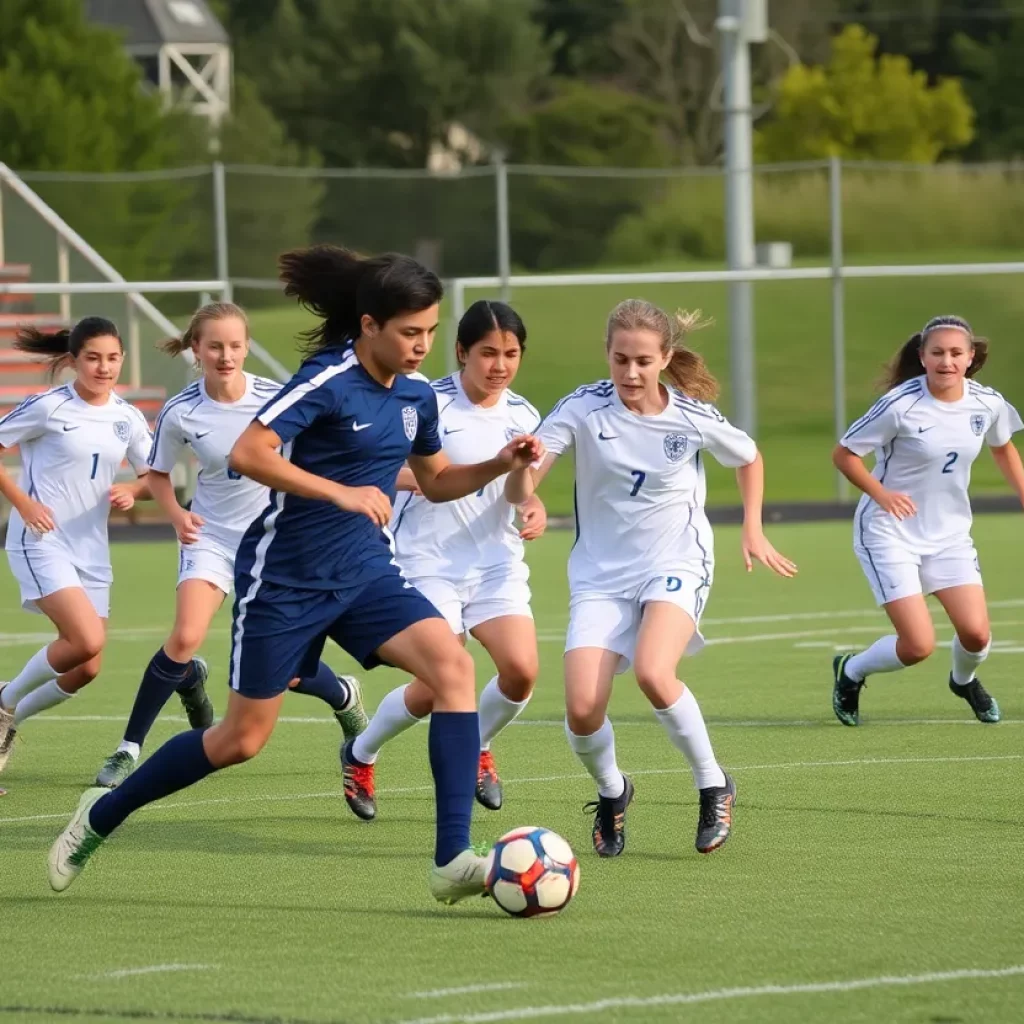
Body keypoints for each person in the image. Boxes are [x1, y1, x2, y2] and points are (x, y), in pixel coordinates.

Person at [47, 244, 544, 903]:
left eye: (429, 331)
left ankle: (451, 860)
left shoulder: (417, 397)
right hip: (284, 580)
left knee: (452, 670)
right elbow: (252, 452)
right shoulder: (327, 378)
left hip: (366, 572)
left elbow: (437, 480)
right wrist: (337, 492)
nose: (423, 345)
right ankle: (100, 814)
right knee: (239, 739)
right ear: (369, 325)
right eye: (409, 333)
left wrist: (503, 463)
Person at [505, 299, 796, 858]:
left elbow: (749, 457)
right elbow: (527, 482)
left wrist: (752, 527)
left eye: (643, 360)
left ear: (665, 358)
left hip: (676, 560)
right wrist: (525, 491)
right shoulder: (582, 408)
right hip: (599, 575)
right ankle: (613, 792)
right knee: (582, 710)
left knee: (655, 673)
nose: (631, 373)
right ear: (607, 355)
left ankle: (713, 784)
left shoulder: (691, 416)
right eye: (620, 360)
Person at [93, 302, 367, 789]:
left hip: (274, 544)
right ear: (195, 349)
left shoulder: (274, 397)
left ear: (246, 347)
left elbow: (314, 453)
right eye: (215, 345)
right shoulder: (182, 410)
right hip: (212, 539)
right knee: (183, 638)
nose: (225, 355)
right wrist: (176, 515)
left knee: (289, 669)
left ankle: (343, 695)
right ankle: (127, 749)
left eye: (235, 345)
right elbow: (156, 473)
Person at [342, 299, 546, 821]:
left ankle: (478, 744)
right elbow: (384, 472)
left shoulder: (523, 414)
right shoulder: (420, 402)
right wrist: (449, 480)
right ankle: (362, 752)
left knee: (521, 672)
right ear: (461, 352)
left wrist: (530, 500)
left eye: (511, 354)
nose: (499, 365)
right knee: (438, 684)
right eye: (487, 353)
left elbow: (520, 486)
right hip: (428, 559)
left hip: (496, 560)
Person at [831, 315, 1023, 726]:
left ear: (970, 358)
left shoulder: (986, 403)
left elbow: (1003, 446)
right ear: (922, 357)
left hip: (949, 535)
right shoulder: (901, 405)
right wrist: (881, 493)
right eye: (937, 352)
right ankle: (851, 671)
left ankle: (963, 680)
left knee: (977, 635)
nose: (947, 361)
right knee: (917, 646)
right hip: (889, 533)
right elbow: (844, 454)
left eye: (956, 353)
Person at [0, 317, 152, 770]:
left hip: (92, 549)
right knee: (84, 640)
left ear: (122, 359)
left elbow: (152, 474)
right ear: (73, 361)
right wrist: (24, 504)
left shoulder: (126, 416)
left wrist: (135, 491)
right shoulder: (48, 407)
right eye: (93, 358)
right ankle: (4, 701)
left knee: (86, 667)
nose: (103, 367)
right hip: (40, 540)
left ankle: (8, 721)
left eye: (111, 358)